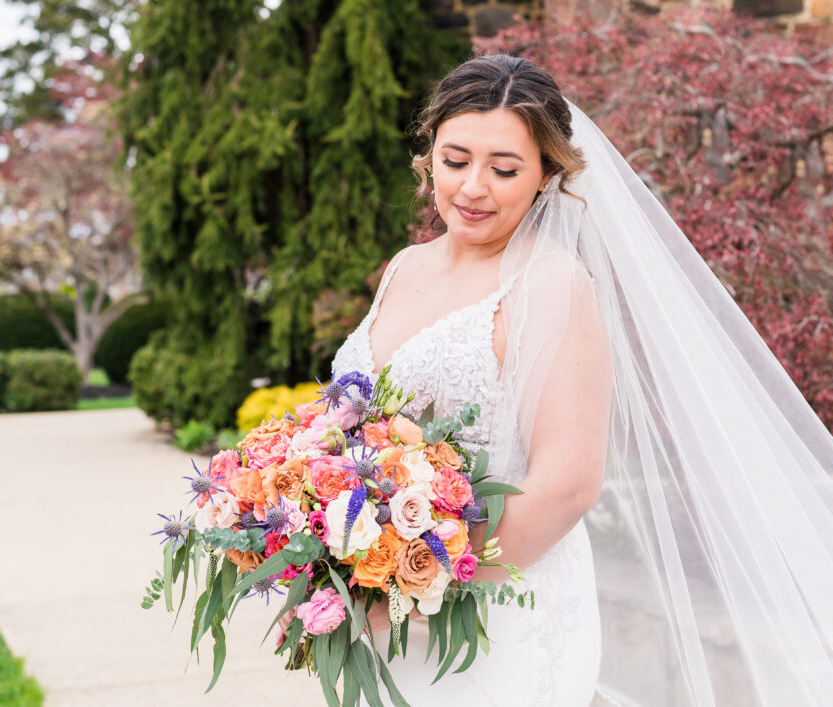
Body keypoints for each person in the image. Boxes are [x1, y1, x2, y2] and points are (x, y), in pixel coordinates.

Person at [331, 55, 833, 706]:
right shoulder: (404, 266)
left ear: (546, 175)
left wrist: (409, 585)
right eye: (455, 160)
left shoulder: (551, 284)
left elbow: (567, 486)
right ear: (429, 156)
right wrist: (324, 558)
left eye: (504, 169)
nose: (473, 187)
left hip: (492, 617)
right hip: (379, 608)